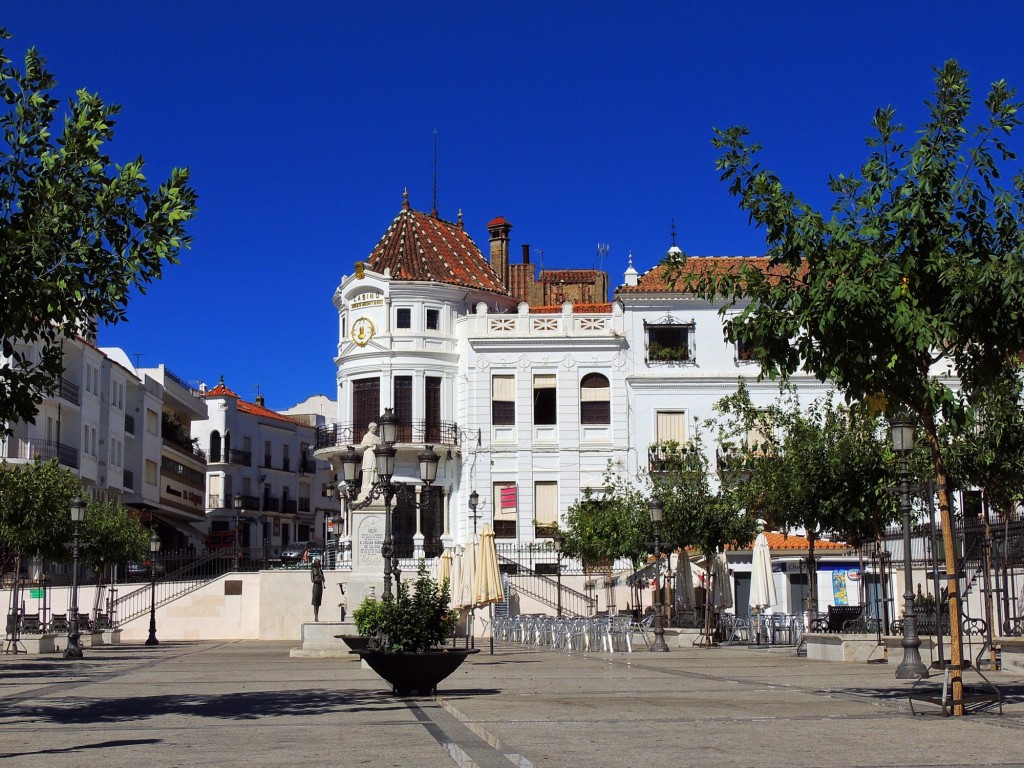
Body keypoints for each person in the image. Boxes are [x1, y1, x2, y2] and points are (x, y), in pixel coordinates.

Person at [358, 422, 381, 494]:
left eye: (375, 429)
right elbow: (362, 446)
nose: (374, 430)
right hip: (368, 454)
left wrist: (377, 444)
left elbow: (380, 445)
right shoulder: (366, 436)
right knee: (368, 468)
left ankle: (375, 484)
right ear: (370, 428)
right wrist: (368, 444)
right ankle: (366, 485)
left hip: (375, 455)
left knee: (375, 469)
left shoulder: (377, 438)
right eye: (373, 428)